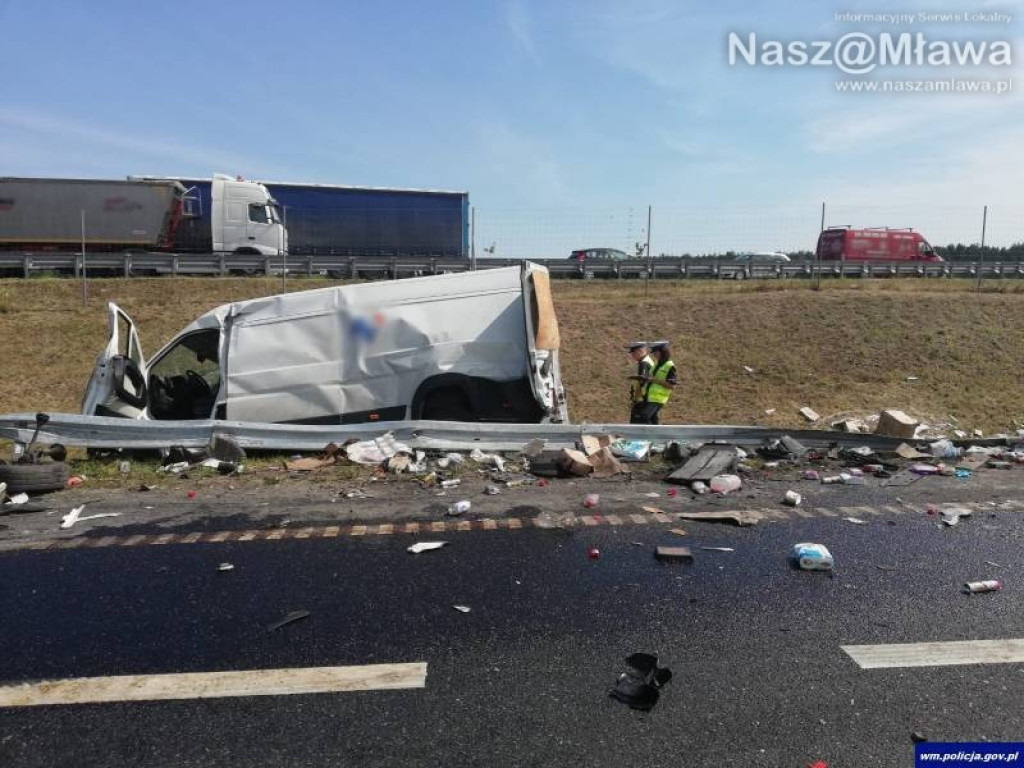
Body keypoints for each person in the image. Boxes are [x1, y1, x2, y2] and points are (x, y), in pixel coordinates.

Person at [634, 341, 677, 424]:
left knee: (644, 416)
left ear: (662, 351)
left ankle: (651, 435)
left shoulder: (670, 366)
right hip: (649, 397)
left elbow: (672, 386)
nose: (654, 355)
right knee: (653, 420)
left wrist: (654, 380)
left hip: (658, 399)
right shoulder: (657, 364)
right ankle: (656, 436)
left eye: (655, 352)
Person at [626, 342, 654, 424]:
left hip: (642, 400)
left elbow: (641, 383)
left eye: (633, 353)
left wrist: (635, 400)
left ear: (640, 350)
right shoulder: (649, 361)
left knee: (636, 426)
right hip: (649, 398)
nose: (632, 356)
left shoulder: (644, 363)